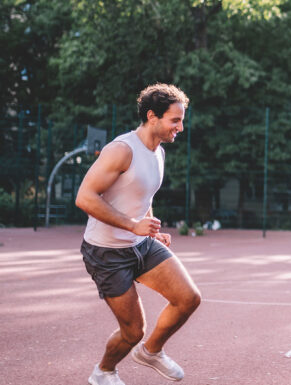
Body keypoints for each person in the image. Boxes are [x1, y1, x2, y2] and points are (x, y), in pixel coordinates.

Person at [76, 83, 201, 385]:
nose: (181, 127)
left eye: (181, 120)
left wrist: (149, 225)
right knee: (132, 331)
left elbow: (140, 194)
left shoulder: (157, 151)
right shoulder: (121, 150)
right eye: (175, 120)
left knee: (189, 299)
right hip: (106, 252)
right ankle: (103, 372)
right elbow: (85, 198)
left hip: (141, 245)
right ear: (152, 116)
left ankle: (151, 352)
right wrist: (133, 225)